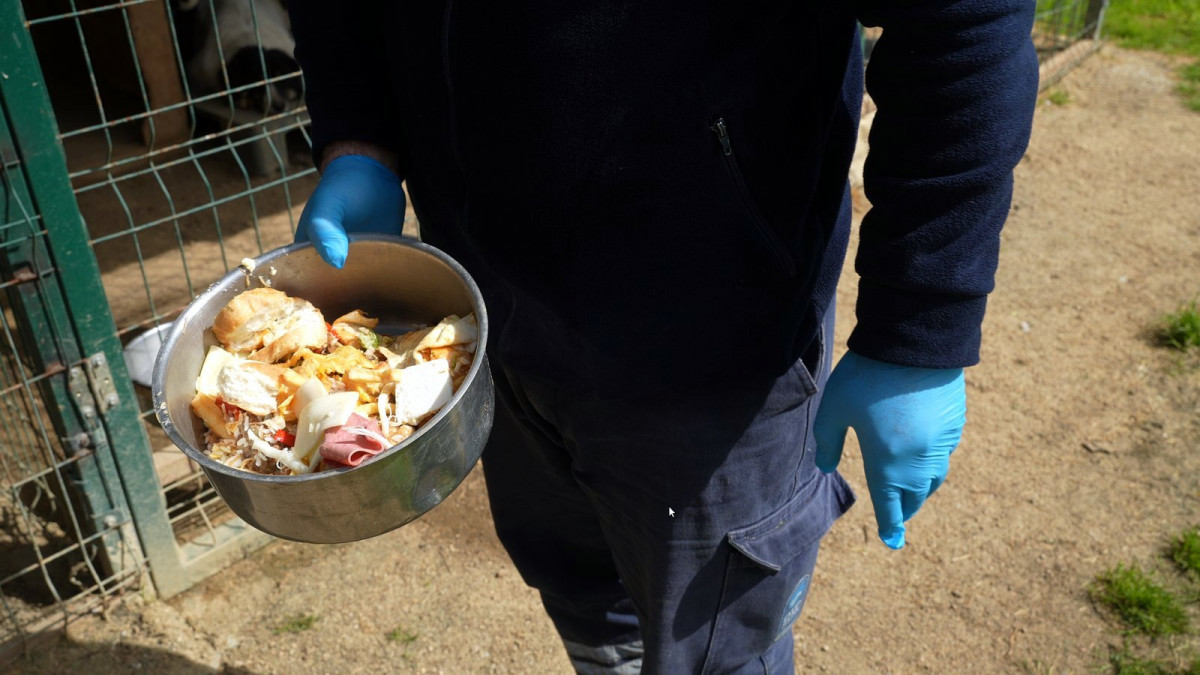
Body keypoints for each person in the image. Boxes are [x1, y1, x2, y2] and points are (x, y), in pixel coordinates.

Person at [285, 2, 1038, 672]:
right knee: (580, 586)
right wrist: (359, 138)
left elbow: (963, 17)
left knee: (717, 643)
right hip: (487, 323)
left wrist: (918, 329)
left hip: (716, 350)